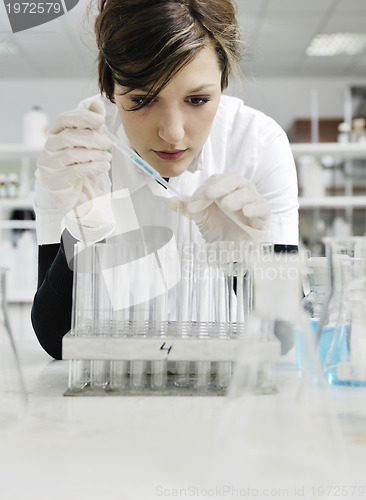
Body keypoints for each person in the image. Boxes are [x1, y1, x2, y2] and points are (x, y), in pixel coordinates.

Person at [31, 0, 299, 359]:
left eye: (198, 99)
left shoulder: (258, 144)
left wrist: (242, 263)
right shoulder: (76, 150)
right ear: (110, 87)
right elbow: (55, 341)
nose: (172, 133)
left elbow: (285, 336)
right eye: (142, 100)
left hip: (225, 392)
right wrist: (83, 233)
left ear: (224, 81)